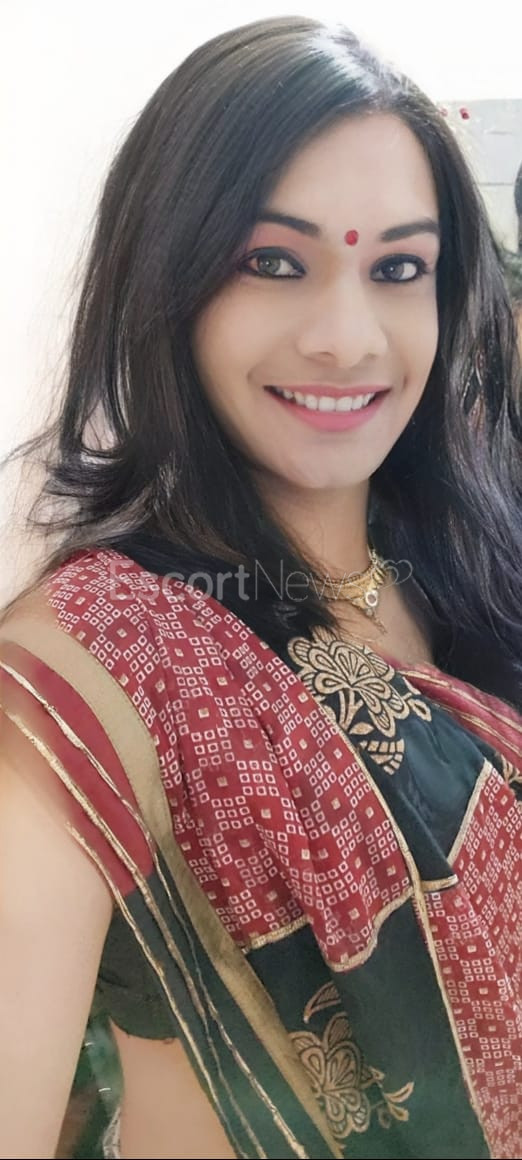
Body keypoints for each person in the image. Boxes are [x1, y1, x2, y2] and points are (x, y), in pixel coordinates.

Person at [1, 15, 521, 1160]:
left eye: (398, 268)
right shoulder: (93, 660)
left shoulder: (464, 551)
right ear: (168, 281)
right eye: (274, 263)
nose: (346, 337)